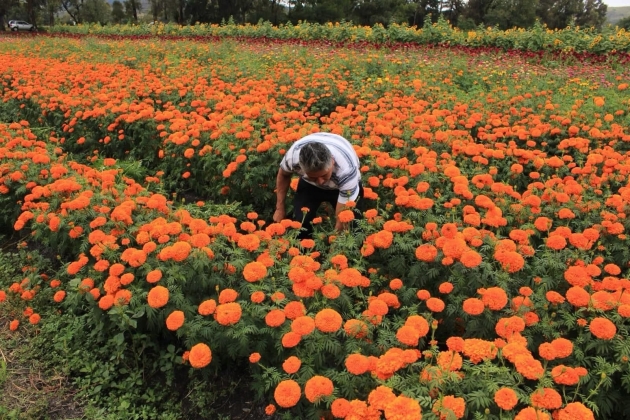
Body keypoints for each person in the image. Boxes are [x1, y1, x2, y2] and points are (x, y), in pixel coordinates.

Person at [273, 132, 364, 239]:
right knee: (301, 222)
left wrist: (335, 247)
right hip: (309, 186)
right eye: (314, 177)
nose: (320, 182)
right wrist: (279, 208)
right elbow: (283, 175)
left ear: (332, 161)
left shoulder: (347, 170)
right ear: (301, 168)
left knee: (353, 227)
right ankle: (303, 251)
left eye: (324, 175)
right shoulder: (293, 158)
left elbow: (341, 221)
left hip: (341, 187)